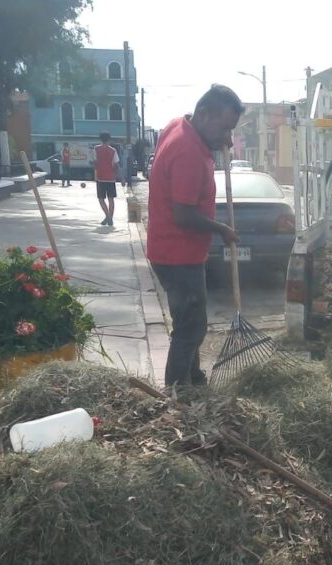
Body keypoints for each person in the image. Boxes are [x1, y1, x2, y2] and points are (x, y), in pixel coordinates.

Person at [146, 84, 244, 388]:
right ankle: (177, 391)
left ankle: (195, 378)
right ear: (203, 115)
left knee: (191, 321)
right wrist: (222, 229)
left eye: (231, 131)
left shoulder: (181, 125)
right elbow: (183, 215)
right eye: (224, 129)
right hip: (177, 255)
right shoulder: (187, 151)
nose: (228, 139)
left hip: (172, 250)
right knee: (191, 327)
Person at [93, 131, 120, 227]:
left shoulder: (96, 149)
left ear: (100, 139)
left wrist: (95, 173)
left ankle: (108, 216)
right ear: (109, 139)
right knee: (111, 199)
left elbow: (95, 163)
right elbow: (116, 165)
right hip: (111, 178)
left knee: (101, 199)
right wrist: (118, 176)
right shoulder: (113, 150)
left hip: (100, 177)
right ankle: (110, 218)